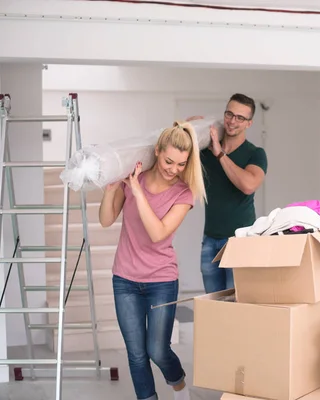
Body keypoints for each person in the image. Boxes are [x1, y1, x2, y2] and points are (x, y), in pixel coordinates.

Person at [99, 121, 205, 400]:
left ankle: (180, 387)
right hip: (124, 279)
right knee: (136, 354)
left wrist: (137, 192)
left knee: (157, 350)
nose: (173, 169)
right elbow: (106, 220)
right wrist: (111, 189)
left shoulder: (184, 193)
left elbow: (158, 233)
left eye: (181, 164)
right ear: (157, 151)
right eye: (169, 160)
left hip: (161, 281)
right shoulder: (138, 178)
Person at [187, 93, 268, 293]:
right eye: (229, 114)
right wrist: (194, 126)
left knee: (237, 307)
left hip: (240, 242)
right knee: (213, 306)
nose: (233, 121)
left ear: (249, 123)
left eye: (240, 118)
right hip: (210, 241)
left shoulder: (255, 153)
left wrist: (220, 154)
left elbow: (248, 185)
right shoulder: (206, 150)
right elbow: (179, 140)